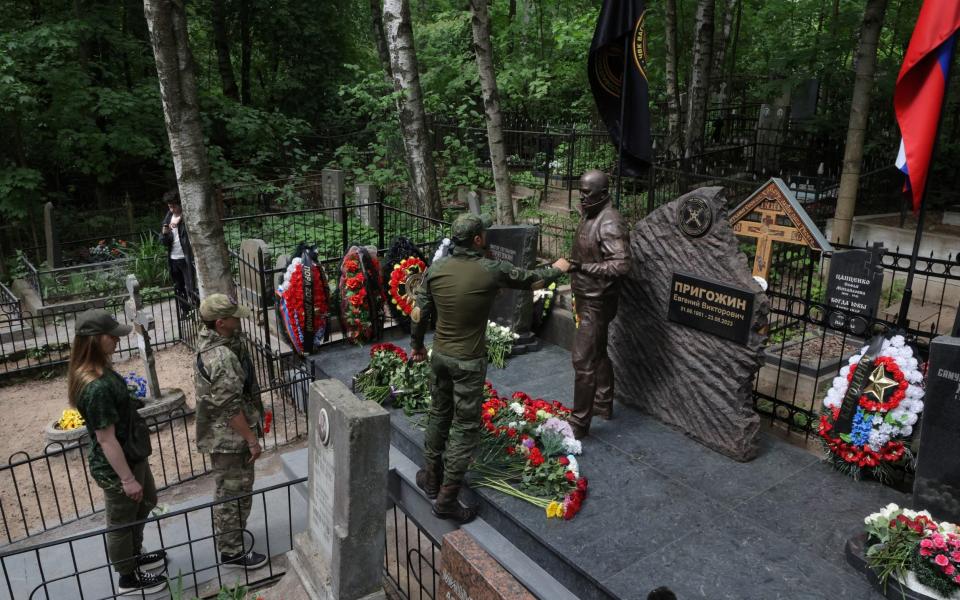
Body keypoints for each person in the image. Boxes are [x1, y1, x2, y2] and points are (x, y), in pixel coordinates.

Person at [410, 213, 570, 524]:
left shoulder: (437, 268)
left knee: (439, 414)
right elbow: (531, 280)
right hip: (468, 362)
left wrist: (417, 346)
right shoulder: (490, 269)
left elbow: (419, 312)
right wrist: (559, 268)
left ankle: (430, 477)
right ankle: (446, 499)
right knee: (465, 428)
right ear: (479, 239)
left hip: (440, 356)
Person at [67, 309, 167, 595]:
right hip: (118, 465)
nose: (118, 340)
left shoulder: (101, 370)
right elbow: (106, 439)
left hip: (132, 453)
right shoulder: (95, 386)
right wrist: (126, 479)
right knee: (122, 520)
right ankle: (128, 577)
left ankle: (134, 555)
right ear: (95, 340)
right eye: (112, 336)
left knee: (145, 502)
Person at [194, 294, 268, 570]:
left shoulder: (217, 340)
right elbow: (230, 407)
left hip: (225, 432)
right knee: (233, 493)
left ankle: (231, 537)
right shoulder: (221, 357)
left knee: (230, 490)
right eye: (234, 316)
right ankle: (232, 552)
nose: (240, 318)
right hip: (229, 437)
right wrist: (251, 440)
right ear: (221, 322)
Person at [568, 169, 631, 440]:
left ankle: (579, 423)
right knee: (598, 351)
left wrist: (582, 267)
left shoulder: (609, 221)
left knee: (582, 360)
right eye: (581, 192)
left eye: (586, 193)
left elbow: (622, 264)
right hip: (586, 296)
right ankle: (603, 402)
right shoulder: (590, 213)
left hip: (597, 301)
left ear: (603, 195)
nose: (581, 198)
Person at [160, 190, 197, 316]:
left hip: (186, 258)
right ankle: (185, 311)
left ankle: (198, 310)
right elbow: (163, 241)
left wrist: (181, 219)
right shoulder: (168, 217)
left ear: (180, 204)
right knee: (178, 287)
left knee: (191, 287)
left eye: (174, 206)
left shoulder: (188, 217)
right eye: (169, 206)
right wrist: (164, 234)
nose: (171, 209)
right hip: (173, 259)